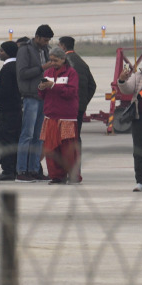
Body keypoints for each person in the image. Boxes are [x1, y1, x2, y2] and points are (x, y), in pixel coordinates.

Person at [16, 25, 53, 182]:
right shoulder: (25, 50)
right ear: (37, 37)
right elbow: (23, 73)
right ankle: (21, 170)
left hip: (42, 96)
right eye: (44, 40)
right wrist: (42, 68)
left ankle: (34, 169)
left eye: (48, 41)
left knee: (39, 136)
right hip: (30, 96)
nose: (46, 43)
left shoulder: (45, 50)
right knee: (27, 135)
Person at [39, 48, 80, 185]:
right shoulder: (48, 72)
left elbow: (71, 92)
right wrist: (42, 88)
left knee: (67, 149)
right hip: (50, 116)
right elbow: (43, 96)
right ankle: (57, 176)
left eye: (55, 60)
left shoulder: (71, 73)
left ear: (63, 59)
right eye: (51, 60)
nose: (53, 63)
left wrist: (53, 86)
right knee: (51, 148)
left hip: (66, 117)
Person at [117, 52, 142, 192]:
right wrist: (122, 81)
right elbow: (127, 89)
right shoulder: (138, 76)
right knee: (139, 150)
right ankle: (140, 182)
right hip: (139, 118)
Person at [59, 37, 97, 144]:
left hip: (67, 107)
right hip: (79, 107)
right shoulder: (83, 63)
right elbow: (92, 86)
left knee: (65, 137)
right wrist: (83, 102)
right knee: (76, 137)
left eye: (59, 46)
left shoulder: (64, 63)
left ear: (63, 46)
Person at [0, 41, 22, 180]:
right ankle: (16, 167)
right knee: (15, 138)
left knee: (6, 139)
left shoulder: (7, 68)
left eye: (1, 50)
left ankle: (8, 170)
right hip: (17, 109)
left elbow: (5, 91)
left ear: (8, 52)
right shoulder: (18, 66)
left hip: (7, 111)